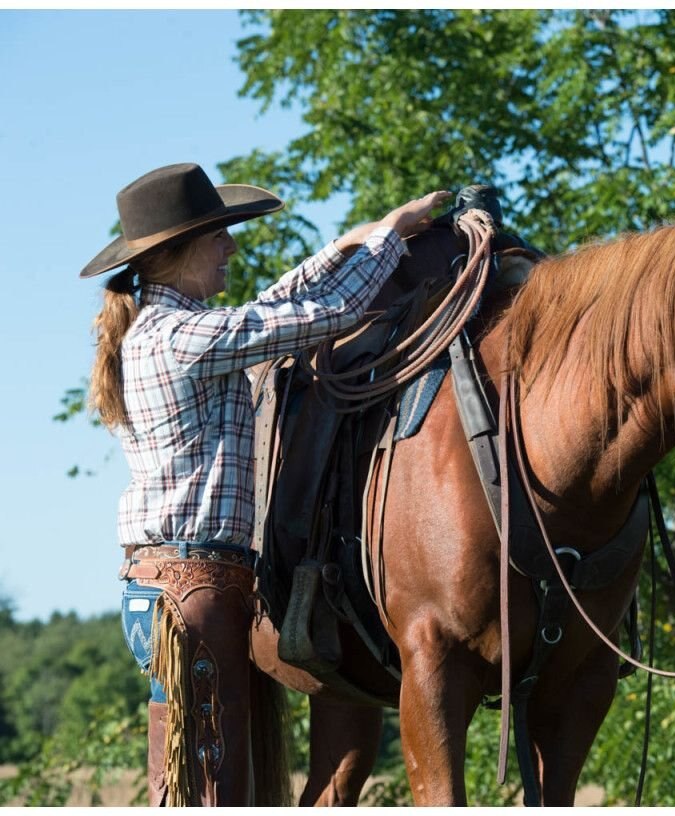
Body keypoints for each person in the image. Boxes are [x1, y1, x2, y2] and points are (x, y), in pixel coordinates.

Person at [81, 162, 451, 805]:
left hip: (172, 583)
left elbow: (270, 306)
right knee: (211, 781)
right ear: (179, 251)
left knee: (195, 773)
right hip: (194, 589)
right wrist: (391, 237)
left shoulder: (161, 332)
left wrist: (344, 246)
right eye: (218, 235)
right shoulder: (181, 338)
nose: (230, 247)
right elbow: (326, 315)